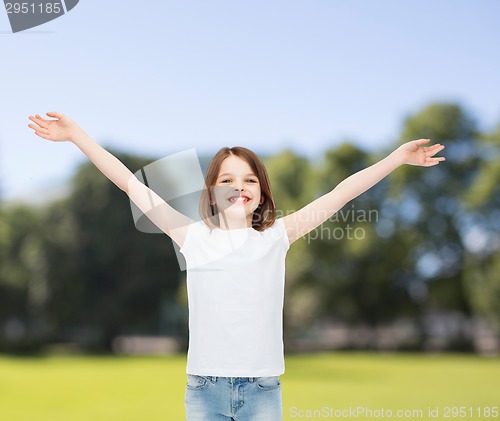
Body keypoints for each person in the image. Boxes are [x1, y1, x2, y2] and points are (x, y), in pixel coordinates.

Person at [28, 112, 445, 420]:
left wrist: (396, 158)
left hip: (264, 392)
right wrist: (76, 135)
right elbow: (130, 184)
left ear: (261, 193)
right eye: (227, 179)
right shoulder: (191, 237)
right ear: (211, 192)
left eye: (248, 180)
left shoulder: (276, 237)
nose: (239, 187)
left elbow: (339, 194)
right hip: (204, 392)